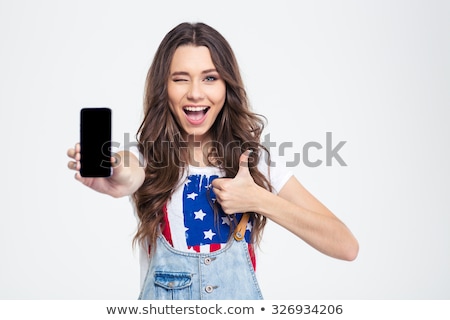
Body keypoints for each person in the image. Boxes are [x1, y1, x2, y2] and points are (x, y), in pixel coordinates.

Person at [67, 22, 359, 300]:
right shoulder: (148, 158)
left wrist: (259, 200)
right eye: (180, 79)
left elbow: (345, 245)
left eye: (210, 78)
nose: (195, 92)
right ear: (163, 88)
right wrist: (116, 168)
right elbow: (130, 172)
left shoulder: (254, 162)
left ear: (226, 87)